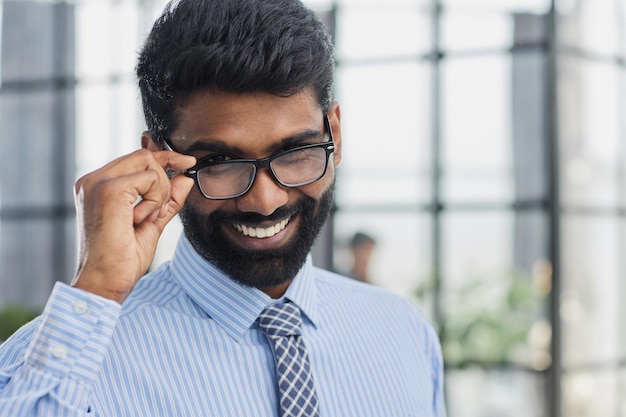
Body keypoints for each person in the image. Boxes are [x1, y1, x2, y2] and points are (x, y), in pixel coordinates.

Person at [0, 0, 446, 416]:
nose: (265, 200)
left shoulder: (402, 332)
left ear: (336, 135)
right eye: (219, 163)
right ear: (159, 161)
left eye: (295, 153)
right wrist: (95, 290)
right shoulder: (58, 368)